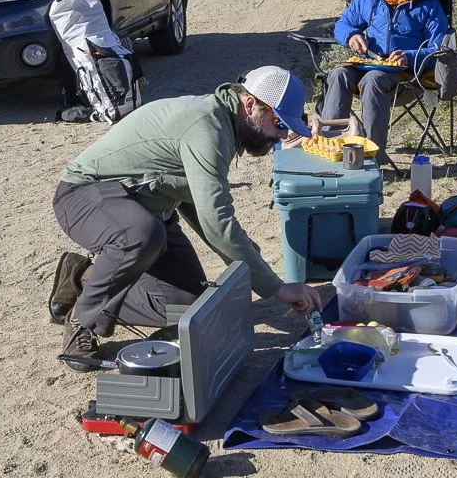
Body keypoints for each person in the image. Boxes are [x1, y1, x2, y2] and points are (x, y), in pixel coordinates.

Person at [48, 65, 325, 371]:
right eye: (278, 123)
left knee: (192, 307)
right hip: (84, 195)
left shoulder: (225, 125)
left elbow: (199, 204)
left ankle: (84, 277)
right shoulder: (208, 127)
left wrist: (247, 261)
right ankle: (83, 319)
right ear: (250, 105)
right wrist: (275, 287)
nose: (282, 135)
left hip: (146, 210)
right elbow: (216, 221)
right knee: (142, 235)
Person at [320, 0, 451, 164]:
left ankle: (372, 159)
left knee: (373, 80)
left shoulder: (427, 2)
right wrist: (351, 35)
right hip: (366, 64)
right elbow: (343, 24)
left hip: (408, 75)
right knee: (338, 75)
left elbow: (440, 48)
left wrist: (409, 56)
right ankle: (331, 148)